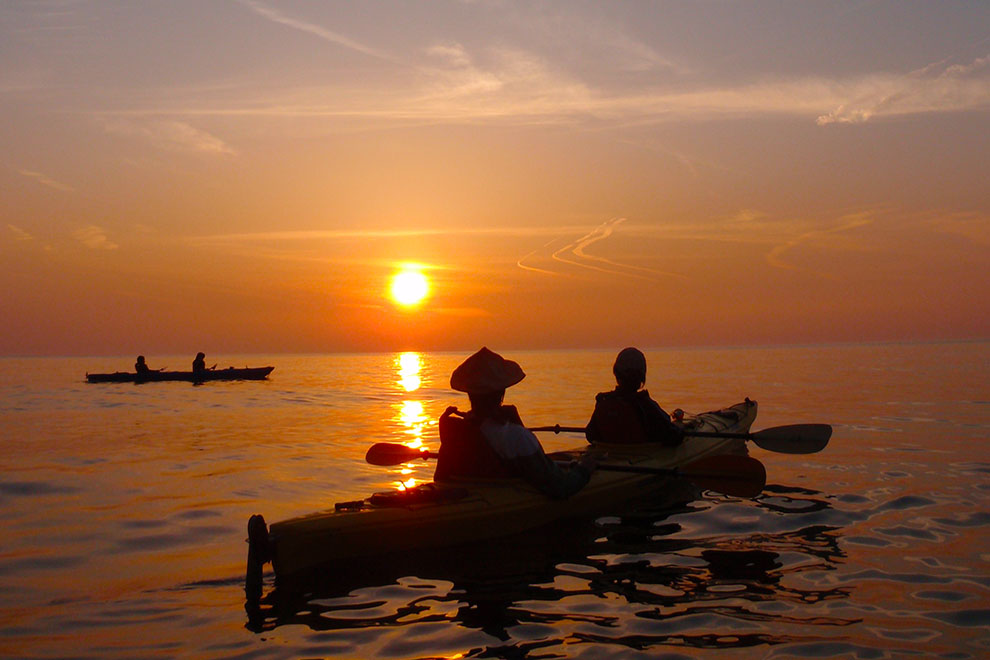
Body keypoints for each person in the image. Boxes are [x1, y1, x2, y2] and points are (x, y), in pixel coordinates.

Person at [436, 347, 597, 499]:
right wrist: (584, 470)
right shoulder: (516, 436)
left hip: (469, 497)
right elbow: (560, 488)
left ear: (470, 394)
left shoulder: (458, 434)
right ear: (502, 392)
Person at [585, 347, 683, 446]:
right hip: (642, 456)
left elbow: (590, 435)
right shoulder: (645, 405)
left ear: (616, 374)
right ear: (641, 377)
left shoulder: (604, 401)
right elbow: (673, 435)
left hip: (609, 456)